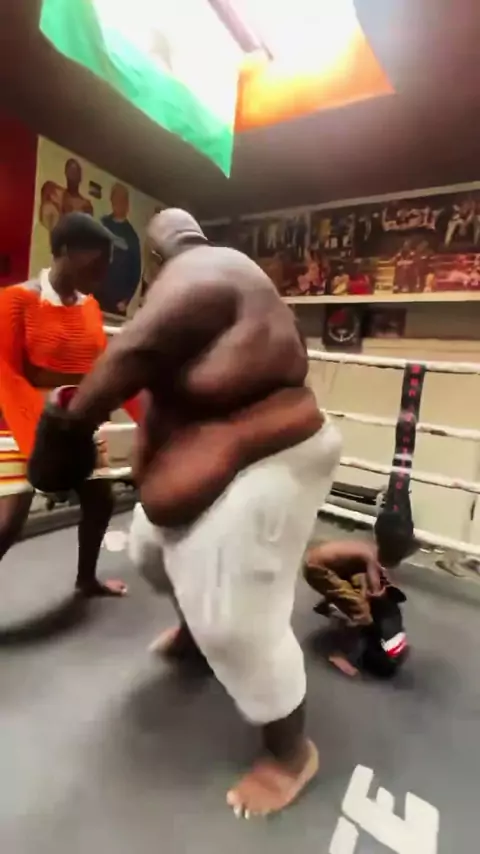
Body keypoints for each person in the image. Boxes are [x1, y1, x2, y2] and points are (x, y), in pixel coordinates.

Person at [27, 208, 342, 818]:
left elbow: (135, 351)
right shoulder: (188, 294)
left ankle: (289, 754)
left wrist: (70, 422)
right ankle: (194, 638)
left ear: (159, 250)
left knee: (233, 614)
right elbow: (156, 373)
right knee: (150, 549)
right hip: (214, 455)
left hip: (277, 453)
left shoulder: (210, 272)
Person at [0, 212, 140, 596]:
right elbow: (10, 375)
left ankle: (86, 579)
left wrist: (142, 414)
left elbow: (100, 369)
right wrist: (41, 446)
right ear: (64, 250)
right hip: (18, 422)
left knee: (101, 500)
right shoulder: (16, 300)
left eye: (108, 262)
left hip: (75, 422)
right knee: (8, 521)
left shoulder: (90, 307)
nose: (104, 270)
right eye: (97, 259)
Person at [304, 511, 413, 677]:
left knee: (357, 586)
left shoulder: (372, 550)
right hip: (318, 569)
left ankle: (336, 604)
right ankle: (338, 654)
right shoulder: (370, 555)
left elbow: (377, 575)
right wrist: (380, 596)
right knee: (361, 610)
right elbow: (375, 590)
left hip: (328, 565)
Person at [99, 183, 142, 316]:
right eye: (116, 199)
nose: (119, 203)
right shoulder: (102, 224)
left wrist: (126, 299)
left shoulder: (131, 236)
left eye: (122, 199)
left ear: (127, 204)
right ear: (111, 201)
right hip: (96, 296)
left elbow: (136, 271)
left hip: (117, 303)